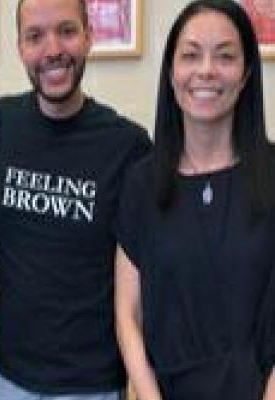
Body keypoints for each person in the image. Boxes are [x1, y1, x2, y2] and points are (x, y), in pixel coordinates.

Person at [0, 0, 151, 398]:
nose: (52, 49)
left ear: (89, 37)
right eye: (35, 36)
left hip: (90, 382)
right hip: (7, 375)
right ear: (20, 47)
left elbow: (144, 273)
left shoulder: (128, 145)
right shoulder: (3, 121)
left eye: (67, 31)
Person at [115, 0, 275, 399]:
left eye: (225, 56)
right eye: (190, 55)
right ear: (171, 72)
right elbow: (127, 315)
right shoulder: (141, 182)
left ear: (246, 73)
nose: (206, 69)